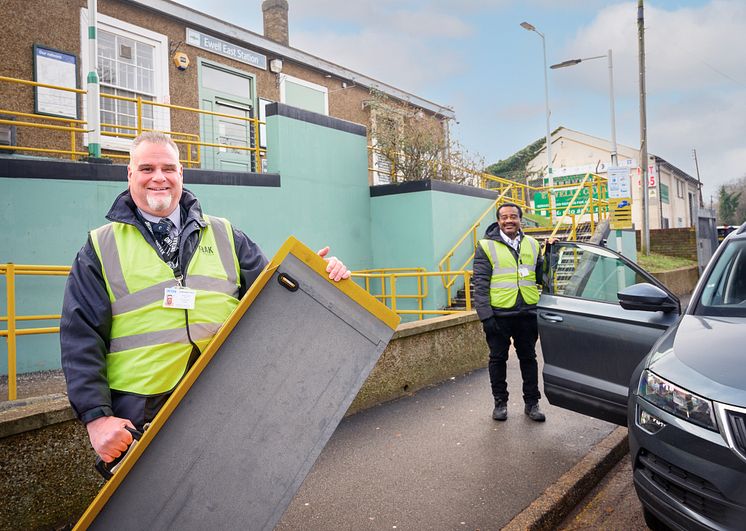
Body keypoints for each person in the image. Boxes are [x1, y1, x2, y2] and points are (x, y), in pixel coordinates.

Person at [61, 131, 351, 464]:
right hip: (143, 412)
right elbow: (80, 338)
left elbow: (273, 297)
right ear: (130, 175)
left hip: (227, 399)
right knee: (154, 512)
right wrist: (97, 418)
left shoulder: (226, 235)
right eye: (146, 168)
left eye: (168, 168)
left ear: (181, 174)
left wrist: (319, 276)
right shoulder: (100, 247)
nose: (159, 177)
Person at [473, 202, 550, 422]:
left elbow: (541, 277)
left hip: (527, 313)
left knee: (529, 358)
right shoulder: (486, 246)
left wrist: (550, 252)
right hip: (499, 315)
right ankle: (500, 403)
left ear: (520, 220)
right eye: (504, 217)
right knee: (497, 359)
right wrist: (486, 316)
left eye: (513, 217)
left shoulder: (533, 244)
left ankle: (532, 403)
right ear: (498, 221)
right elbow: (480, 283)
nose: (509, 220)